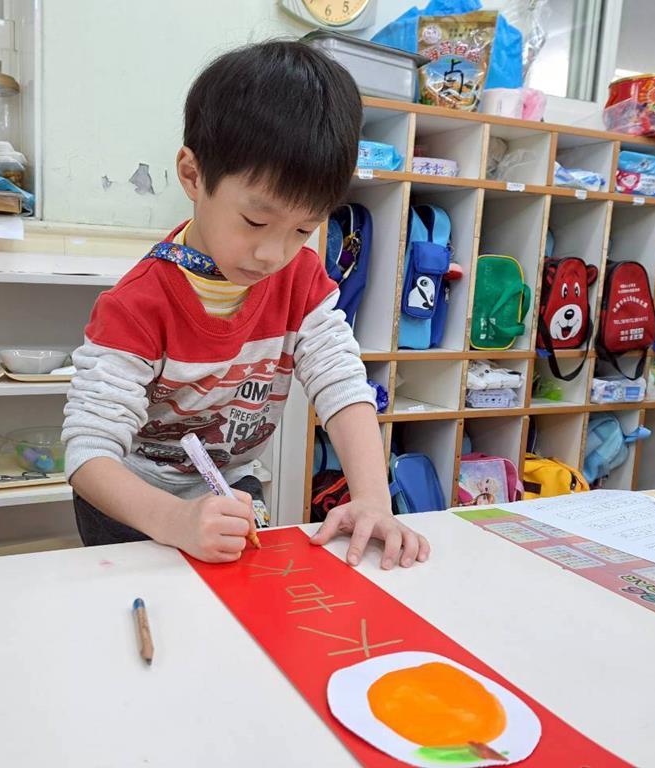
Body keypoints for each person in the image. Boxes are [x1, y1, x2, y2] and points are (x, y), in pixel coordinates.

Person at [63, 40, 429, 570]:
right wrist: (175, 520)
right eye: (255, 221)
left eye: (303, 229)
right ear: (193, 176)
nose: (272, 254)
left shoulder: (300, 282)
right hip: (134, 506)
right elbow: (88, 455)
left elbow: (342, 385)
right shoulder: (137, 305)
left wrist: (373, 499)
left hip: (231, 489)